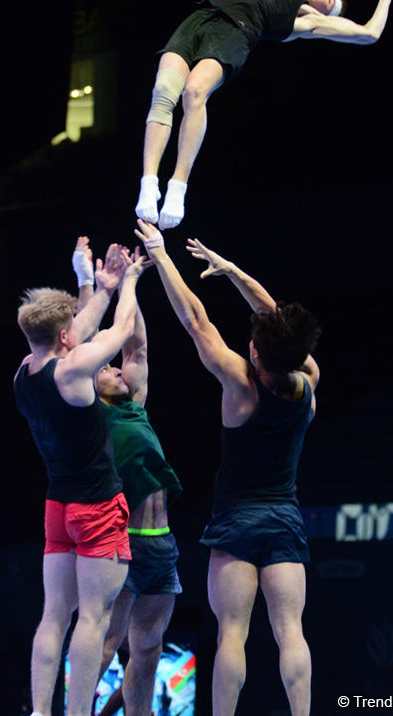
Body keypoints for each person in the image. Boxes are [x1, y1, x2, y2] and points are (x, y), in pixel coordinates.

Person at [134, 220, 320, 716]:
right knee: (291, 633)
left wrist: (162, 255)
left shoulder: (241, 384)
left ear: (256, 351)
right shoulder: (308, 382)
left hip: (236, 520)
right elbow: (276, 319)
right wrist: (235, 271)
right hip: (283, 519)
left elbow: (196, 321)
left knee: (232, 634)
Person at [135, 0, 393, 229]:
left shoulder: (305, 23)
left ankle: (177, 187)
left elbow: (369, 33)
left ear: (325, 15)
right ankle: (149, 183)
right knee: (162, 92)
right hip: (202, 17)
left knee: (194, 92)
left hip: (235, 32)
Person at [13, 242, 147, 716]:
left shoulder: (23, 373)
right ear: (65, 335)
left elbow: (77, 330)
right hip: (96, 507)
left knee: (54, 615)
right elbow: (122, 330)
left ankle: (41, 712)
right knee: (93, 618)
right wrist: (129, 281)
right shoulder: (74, 372)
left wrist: (100, 287)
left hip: (58, 509)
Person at [72, 237, 183, 716]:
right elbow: (79, 344)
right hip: (121, 542)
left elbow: (136, 344)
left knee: (149, 650)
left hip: (162, 543)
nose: (118, 369)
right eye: (107, 368)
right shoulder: (89, 417)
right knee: (105, 641)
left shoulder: (133, 406)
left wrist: (130, 284)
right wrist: (89, 286)